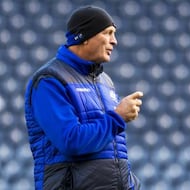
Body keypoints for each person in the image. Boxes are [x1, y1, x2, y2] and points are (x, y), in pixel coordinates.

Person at [24, 6, 142, 190]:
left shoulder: (105, 81)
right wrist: (117, 117)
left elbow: (113, 151)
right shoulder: (50, 81)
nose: (114, 41)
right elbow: (70, 141)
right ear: (85, 37)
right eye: (108, 33)